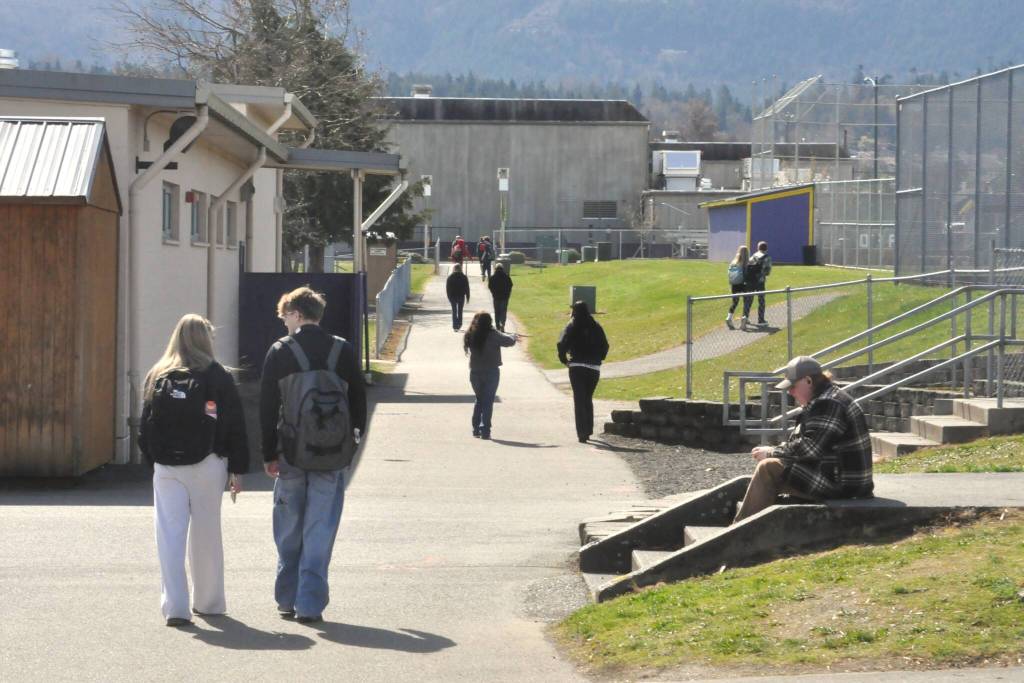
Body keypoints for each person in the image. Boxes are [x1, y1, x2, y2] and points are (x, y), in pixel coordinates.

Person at [260, 286, 367, 624]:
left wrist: (268, 453)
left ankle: (286, 599)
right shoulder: (343, 350)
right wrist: (352, 440)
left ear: (296, 314)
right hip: (332, 455)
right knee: (320, 528)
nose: (283, 324)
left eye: (285, 317)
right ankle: (310, 604)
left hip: (290, 453)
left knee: (289, 527)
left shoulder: (280, 352)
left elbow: (266, 408)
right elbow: (359, 401)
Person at [140, 314, 249, 628]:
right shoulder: (218, 376)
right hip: (208, 463)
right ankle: (209, 601)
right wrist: (236, 469)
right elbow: (234, 425)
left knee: (169, 536)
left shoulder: (158, 374)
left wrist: (155, 461)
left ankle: (175, 607)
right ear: (207, 339)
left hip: (166, 468)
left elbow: (144, 427)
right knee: (206, 533)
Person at [733, 356, 873, 523]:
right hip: (838, 477)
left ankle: (737, 530)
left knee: (768, 468)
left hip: (845, 487)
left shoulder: (829, 404)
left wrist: (772, 452)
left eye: (793, 386)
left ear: (808, 381)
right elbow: (806, 442)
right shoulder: (824, 399)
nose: (790, 392)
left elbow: (809, 449)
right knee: (774, 468)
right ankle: (751, 522)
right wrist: (779, 451)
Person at [557, 301, 610, 443]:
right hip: (593, 368)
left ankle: (582, 432)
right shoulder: (596, 326)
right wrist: (599, 358)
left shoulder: (572, 325)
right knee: (587, 398)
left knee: (579, 399)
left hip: (577, 366)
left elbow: (562, 343)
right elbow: (605, 345)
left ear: (574, 311)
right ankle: (589, 428)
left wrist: (564, 360)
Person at [463, 311, 519, 439]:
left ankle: (476, 428)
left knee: (480, 399)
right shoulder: (492, 334)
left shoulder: (471, 334)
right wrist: (514, 337)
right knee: (488, 401)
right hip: (491, 371)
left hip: (475, 372)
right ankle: (485, 429)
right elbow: (508, 341)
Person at [743, 241, 772, 327]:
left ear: (758, 248)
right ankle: (761, 320)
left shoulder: (753, 256)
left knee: (748, 300)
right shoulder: (767, 257)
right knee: (761, 300)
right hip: (760, 282)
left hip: (750, 281)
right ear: (766, 248)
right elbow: (768, 272)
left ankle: (745, 317)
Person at [725, 245, 749, 330]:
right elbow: (747, 275)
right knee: (746, 302)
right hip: (743, 284)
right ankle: (744, 319)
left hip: (734, 284)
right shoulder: (746, 263)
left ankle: (729, 317)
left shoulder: (733, 262)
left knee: (735, 302)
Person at [487, 262, 513, 332]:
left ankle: (497, 326)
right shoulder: (507, 277)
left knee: (497, 312)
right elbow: (510, 285)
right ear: (502, 269)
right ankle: (502, 324)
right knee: (503, 311)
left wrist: (493, 292)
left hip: (496, 297)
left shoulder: (492, 277)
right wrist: (508, 294)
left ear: (495, 269)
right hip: (505, 297)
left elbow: (489, 286)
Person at [446, 263, 471, 331]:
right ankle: (459, 324)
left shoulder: (450, 277)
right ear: (460, 268)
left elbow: (448, 288)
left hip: (453, 296)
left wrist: (449, 297)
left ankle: (455, 326)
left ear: (454, 268)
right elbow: (467, 288)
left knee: (454, 311)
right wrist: (468, 297)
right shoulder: (464, 277)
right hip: (461, 296)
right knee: (460, 311)